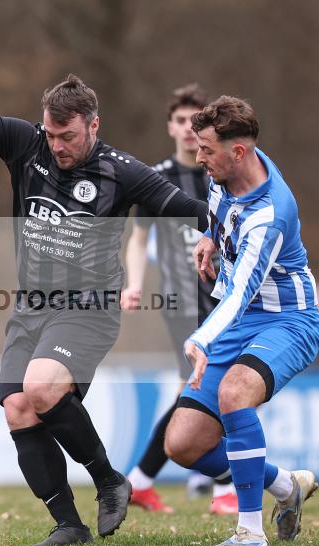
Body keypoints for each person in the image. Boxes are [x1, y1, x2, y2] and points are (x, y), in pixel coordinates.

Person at [0, 75, 207, 546]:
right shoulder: (27, 145)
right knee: (18, 408)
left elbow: (184, 206)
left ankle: (109, 480)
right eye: (51, 134)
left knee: (40, 386)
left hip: (89, 307)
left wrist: (231, 226)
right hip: (31, 306)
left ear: (93, 125)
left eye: (68, 136)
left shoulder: (123, 171)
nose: (57, 145)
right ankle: (69, 525)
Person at [162, 95, 319, 546]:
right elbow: (220, 209)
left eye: (206, 149)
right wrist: (211, 237)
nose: (198, 158)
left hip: (287, 322)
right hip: (240, 318)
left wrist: (199, 338)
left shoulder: (270, 216)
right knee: (183, 445)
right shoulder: (229, 169)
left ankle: (249, 532)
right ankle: (286, 487)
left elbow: (239, 293)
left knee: (234, 394)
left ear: (238, 151)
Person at [121, 84, 237, 516]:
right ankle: (223, 487)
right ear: (170, 126)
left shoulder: (220, 174)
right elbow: (139, 239)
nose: (189, 129)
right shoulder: (155, 179)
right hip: (180, 301)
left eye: (196, 122)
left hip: (225, 299)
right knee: (211, 383)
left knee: (199, 389)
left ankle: (141, 480)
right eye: (181, 121)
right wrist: (134, 283)